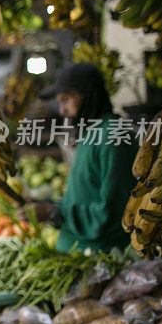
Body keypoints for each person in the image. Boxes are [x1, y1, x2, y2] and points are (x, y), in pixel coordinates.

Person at [16, 62, 138, 253]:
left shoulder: (114, 138)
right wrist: (47, 204)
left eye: (65, 100)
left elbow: (115, 213)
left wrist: (54, 213)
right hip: (76, 252)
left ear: (89, 95)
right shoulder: (92, 134)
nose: (62, 110)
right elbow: (85, 196)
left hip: (101, 260)